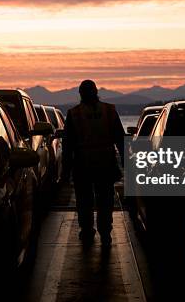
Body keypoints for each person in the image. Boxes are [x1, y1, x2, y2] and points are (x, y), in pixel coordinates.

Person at [62, 80, 125, 246]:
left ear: (80, 94)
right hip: (105, 163)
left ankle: (88, 231)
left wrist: (65, 171)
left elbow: (67, 145)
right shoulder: (109, 111)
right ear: (96, 92)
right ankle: (105, 232)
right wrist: (125, 160)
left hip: (83, 165)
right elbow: (120, 138)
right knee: (105, 201)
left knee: (85, 201)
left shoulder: (74, 113)